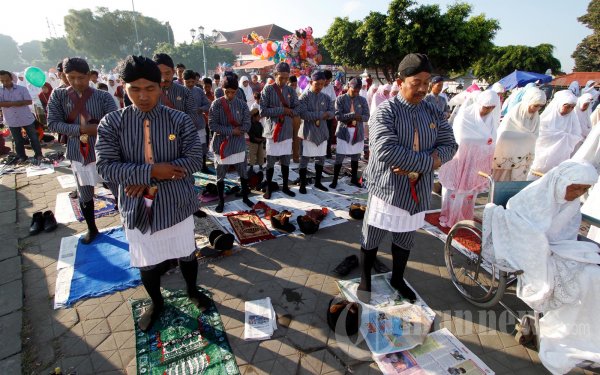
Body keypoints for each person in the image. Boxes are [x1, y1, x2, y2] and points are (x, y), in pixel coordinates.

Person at [95, 55, 209, 333]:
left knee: (186, 253)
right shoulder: (112, 123)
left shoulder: (179, 120)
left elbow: (195, 160)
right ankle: (156, 302)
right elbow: (106, 167)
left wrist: (140, 173)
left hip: (176, 204)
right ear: (123, 88)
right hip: (137, 205)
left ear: (161, 87)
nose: (143, 96)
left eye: (150, 88)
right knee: (147, 260)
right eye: (135, 88)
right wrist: (151, 172)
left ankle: (192, 291)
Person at [481, 160, 600, 375]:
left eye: (585, 189)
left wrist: (560, 251)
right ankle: (566, 332)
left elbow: (565, 235)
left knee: (593, 275)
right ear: (562, 182)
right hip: (529, 253)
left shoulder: (572, 204)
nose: (579, 193)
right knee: (582, 278)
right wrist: (543, 249)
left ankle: (584, 332)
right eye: (576, 187)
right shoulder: (531, 198)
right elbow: (520, 232)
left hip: (557, 250)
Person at [357, 53, 457, 303]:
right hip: (387, 188)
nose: (423, 88)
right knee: (372, 236)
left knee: (405, 237)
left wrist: (427, 163)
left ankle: (397, 278)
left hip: (417, 189)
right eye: (417, 83)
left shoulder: (433, 111)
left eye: (427, 82)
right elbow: (386, 150)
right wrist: (429, 160)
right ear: (400, 82)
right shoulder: (385, 112)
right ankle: (365, 278)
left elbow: (450, 144)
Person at [47, 57, 118, 243]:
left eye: (81, 77)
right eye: (71, 77)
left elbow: (115, 122)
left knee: (117, 188)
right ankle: (92, 228)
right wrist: (81, 130)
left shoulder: (103, 96)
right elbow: (53, 123)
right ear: (64, 76)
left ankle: (128, 223)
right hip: (77, 151)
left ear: (89, 76)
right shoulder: (58, 96)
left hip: (105, 151)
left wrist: (99, 130)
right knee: (85, 192)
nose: (77, 82)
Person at [438, 90, 500, 228]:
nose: (488, 111)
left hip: (477, 161)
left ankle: (464, 216)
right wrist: (483, 140)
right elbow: (461, 137)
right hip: (460, 159)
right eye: (486, 107)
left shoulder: (490, 119)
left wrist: (483, 142)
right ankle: (449, 215)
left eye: (492, 108)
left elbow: (492, 139)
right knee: (454, 189)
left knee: (470, 191)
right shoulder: (466, 115)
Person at [208, 75, 253, 212]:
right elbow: (212, 125)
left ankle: (245, 197)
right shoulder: (216, 104)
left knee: (243, 172)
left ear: (237, 91)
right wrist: (232, 131)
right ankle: (221, 201)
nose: (230, 95)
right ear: (223, 89)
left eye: (233, 92)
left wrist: (238, 131)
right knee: (220, 175)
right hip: (221, 144)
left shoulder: (242, 105)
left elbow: (247, 124)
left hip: (238, 144)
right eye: (227, 92)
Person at [260, 62, 302, 199]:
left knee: (285, 160)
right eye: (281, 77)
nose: (284, 80)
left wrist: (291, 112)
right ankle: (268, 188)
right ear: (275, 75)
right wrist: (282, 110)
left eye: (286, 78)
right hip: (272, 131)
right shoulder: (268, 89)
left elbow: (298, 108)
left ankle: (285, 186)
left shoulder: (290, 91)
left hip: (287, 130)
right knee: (271, 161)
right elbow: (263, 111)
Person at [492, 87, 547, 181]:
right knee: (502, 182)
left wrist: (527, 138)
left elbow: (535, 136)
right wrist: (524, 137)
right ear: (528, 102)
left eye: (540, 106)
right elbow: (503, 136)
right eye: (535, 105)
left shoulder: (536, 117)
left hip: (523, 158)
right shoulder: (514, 115)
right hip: (506, 158)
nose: (537, 109)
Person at [297, 71, 334, 193]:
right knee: (305, 159)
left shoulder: (326, 98)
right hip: (308, 133)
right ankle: (302, 184)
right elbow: (302, 114)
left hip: (322, 132)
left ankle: (318, 182)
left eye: (322, 84)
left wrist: (327, 115)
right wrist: (320, 115)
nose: (319, 87)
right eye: (317, 84)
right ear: (311, 82)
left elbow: (332, 112)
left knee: (320, 159)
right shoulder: (304, 97)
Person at [529, 90, 582, 177]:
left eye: (572, 107)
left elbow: (577, 135)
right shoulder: (547, 117)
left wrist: (562, 136)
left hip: (560, 156)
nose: (570, 109)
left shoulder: (573, 118)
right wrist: (561, 135)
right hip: (541, 156)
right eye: (567, 106)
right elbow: (540, 134)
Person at [330, 77, 369, 188]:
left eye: (358, 91)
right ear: (348, 86)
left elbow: (367, 116)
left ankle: (353, 179)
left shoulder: (362, 100)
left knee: (355, 157)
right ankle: (334, 180)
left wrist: (359, 117)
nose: (356, 93)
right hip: (344, 132)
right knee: (340, 157)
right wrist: (352, 115)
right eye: (354, 90)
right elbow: (338, 116)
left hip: (358, 132)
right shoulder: (340, 99)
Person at [0, 70, 43, 162]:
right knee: (17, 140)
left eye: (7, 80)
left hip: (25, 117)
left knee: (34, 137)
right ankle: (22, 156)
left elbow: (28, 101)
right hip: (11, 119)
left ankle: (38, 155)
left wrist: (8, 103)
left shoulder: (22, 89)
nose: (5, 82)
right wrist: (18, 103)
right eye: (2, 81)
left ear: (11, 78)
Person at [183, 69, 211, 173]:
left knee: (202, 146)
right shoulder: (180, 91)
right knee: (186, 149)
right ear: (183, 81)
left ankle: (203, 166)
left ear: (195, 81)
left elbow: (207, 105)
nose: (190, 84)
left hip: (199, 124)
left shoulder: (199, 91)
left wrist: (201, 109)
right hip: (185, 126)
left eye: (192, 82)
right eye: (187, 82)